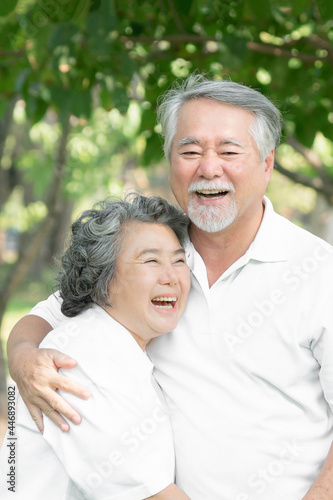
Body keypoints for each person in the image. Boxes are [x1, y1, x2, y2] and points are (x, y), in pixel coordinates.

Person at [6, 74, 333, 499]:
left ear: (267, 163)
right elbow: (46, 318)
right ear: (170, 162)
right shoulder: (152, 257)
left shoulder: (318, 271)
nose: (209, 167)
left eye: (229, 151)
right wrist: (23, 360)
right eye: (190, 150)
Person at [0, 194, 191, 499]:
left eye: (179, 260)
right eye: (151, 260)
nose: (172, 277)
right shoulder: (81, 361)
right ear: (105, 278)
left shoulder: (118, 341)